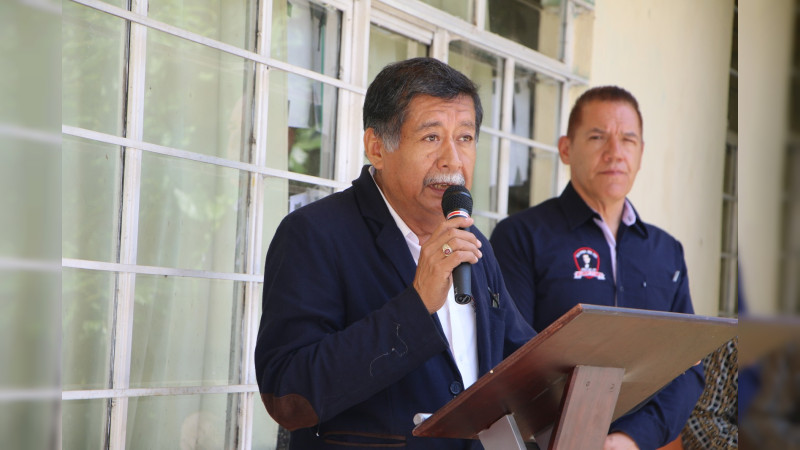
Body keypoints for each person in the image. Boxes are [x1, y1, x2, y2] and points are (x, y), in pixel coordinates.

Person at [254, 57, 536, 449]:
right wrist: (417, 306)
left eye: (466, 138)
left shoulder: (475, 244)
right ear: (377, 147)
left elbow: (520, 360)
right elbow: (288, 395)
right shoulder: (315, 234)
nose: (453, 160)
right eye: (432, 137)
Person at [490, 86, 704, 450]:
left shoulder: (667, 251)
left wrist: (631, 439)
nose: (615, 152)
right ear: (565, 149)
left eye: (628, 139)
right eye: (597, 137)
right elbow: (513, 359)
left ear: (641, 154)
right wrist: (580, 434)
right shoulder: (521, 237)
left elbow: (687, 368)